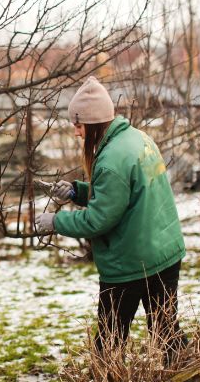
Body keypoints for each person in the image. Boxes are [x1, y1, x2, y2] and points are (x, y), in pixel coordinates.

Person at [35, 76, 187, 362]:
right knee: (167, 332)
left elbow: (98, 220)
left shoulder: (111, 160)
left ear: (92, 124)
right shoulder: (137, 138)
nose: (77, 133)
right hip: (163, 252)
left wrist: (55, 223)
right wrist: (78, 192)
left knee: (109, 340)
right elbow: (124, 196)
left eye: (78, 125)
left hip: (131, 262)